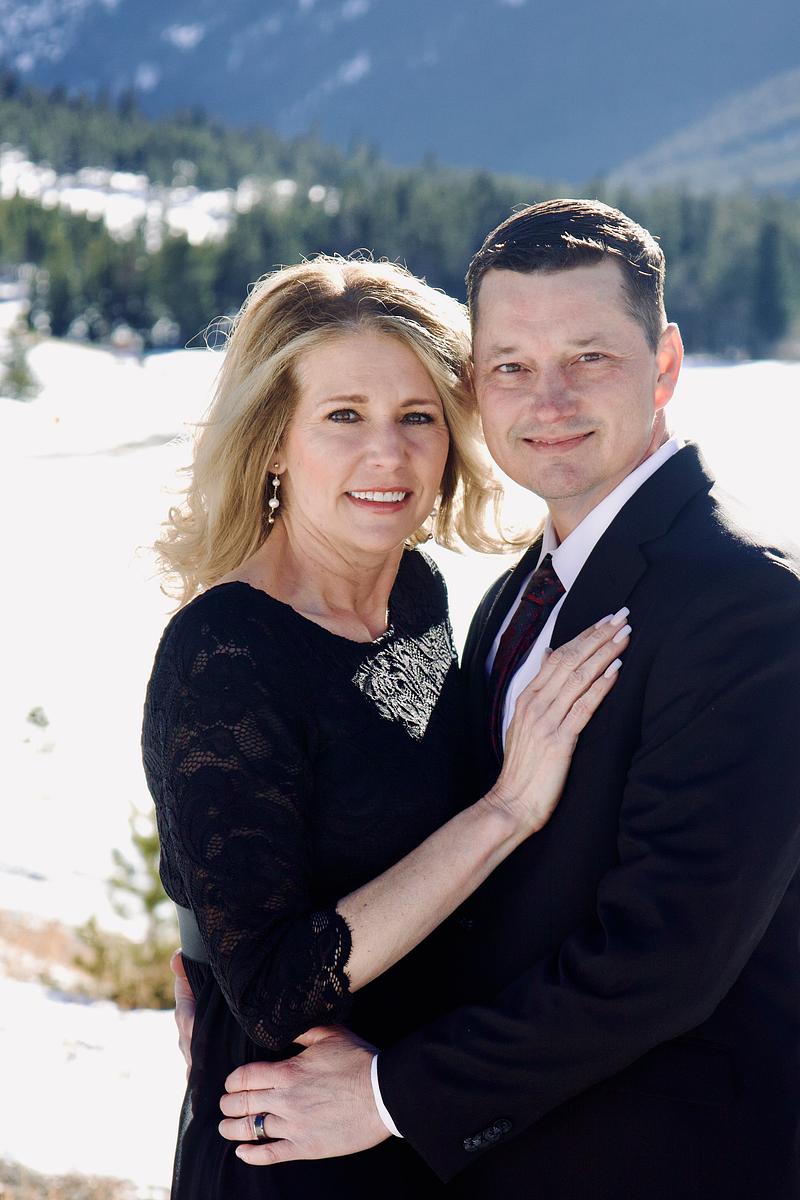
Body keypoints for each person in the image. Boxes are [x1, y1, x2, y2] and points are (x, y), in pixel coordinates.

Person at [217, 202, 800, 1200]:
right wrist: (242, 1014)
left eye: (588, 358)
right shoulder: (513, 598)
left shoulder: (745, 605)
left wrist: (388, 1095)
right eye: (511, 366)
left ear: (663, 364)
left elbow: (661, 958)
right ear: (476, 388)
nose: (548, 399)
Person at [142, 254, 629, 1200]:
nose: (389, 456)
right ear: (273, 442)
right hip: (294, 1148)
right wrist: (506, 810)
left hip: (417, 1108)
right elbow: (272, 987)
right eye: (343, 416)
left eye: (417, 417)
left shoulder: (417, 592)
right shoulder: (225, 652)